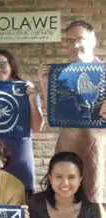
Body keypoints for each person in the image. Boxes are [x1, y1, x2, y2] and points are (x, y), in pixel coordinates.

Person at [37, 20, 106, 215]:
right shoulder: (62, 75)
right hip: (68, 148)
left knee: (97, 202)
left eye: (79, 39)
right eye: (69, 41)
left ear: (93, 40)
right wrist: (45, 84)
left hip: (99, 153)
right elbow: (55, 118)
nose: (74, 45)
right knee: (66, 204)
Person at [0, 49, 44, 197]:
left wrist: (31, 100)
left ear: (11, 65)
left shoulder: (27, 90)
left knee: (21, 206)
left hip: (18, 158)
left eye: (2, 64)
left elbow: (37, 126)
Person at [27, 152, 99, 218]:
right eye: (59, 177)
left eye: (71, 177)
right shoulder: (35, 203)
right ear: (50, 178)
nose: (65, 183)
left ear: (80, 179)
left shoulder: (90, 210)